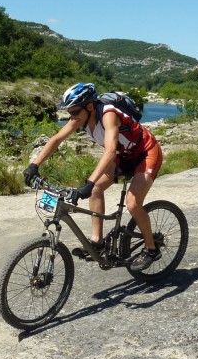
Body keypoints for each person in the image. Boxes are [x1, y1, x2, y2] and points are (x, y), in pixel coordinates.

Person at [23, 83, 163, 270]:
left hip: (145, 153)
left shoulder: (108, 114)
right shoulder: (80, 117)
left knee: (132, 203)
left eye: (74, 111)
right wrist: (34, 165)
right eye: (69, 112)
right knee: (96, 190)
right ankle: (97, 242)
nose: (71, 117)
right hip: (122, 155)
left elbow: (111, 150)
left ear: (89, 107)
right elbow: (56, 139)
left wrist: (88, 182)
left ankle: (151, 249)